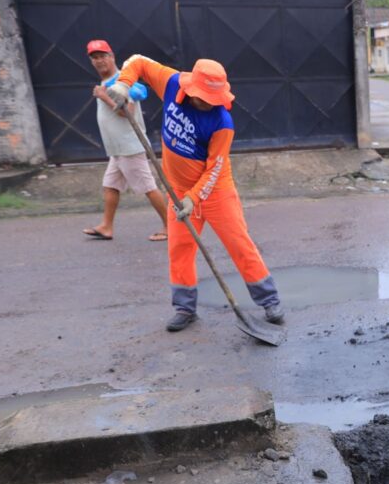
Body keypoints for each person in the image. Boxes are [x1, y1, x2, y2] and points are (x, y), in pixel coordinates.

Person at [107, 56, 284, 331]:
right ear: (191, 89)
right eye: (205, 97)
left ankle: (269, 300)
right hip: (178, 190)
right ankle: (185, 308)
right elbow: (139, 63)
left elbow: (215, 168)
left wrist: (194, 198)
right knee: (180, 248)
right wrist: (123, 84)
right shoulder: (172, 82)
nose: (209, 103)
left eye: (214, 98)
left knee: (239, 244)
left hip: (216, 192)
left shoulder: (222, 122)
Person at [82, 39, 168, 242]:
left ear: (112, 57)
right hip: (117, 149)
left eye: (103, 56)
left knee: (148, 187)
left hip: (130, 147)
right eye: (95, 57)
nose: (99, 61)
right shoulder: (106, 83)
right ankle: (106, 227)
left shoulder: (122, 82)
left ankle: (170, 226)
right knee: (110, 185)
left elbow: (126, 113)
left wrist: (104, 97)